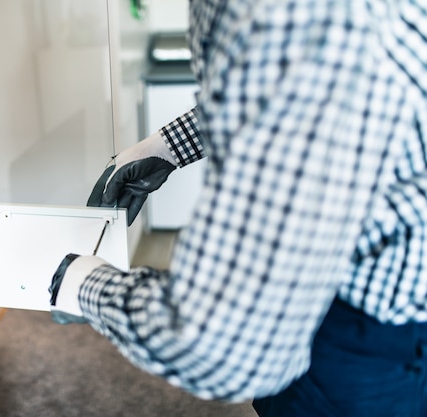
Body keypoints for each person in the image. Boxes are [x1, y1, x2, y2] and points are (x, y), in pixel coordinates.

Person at [49, 1, 427, 415]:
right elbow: (290, 86)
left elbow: (225, 350)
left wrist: (84, 285)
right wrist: (168, 146)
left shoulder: (298, 15)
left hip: (362, 335)